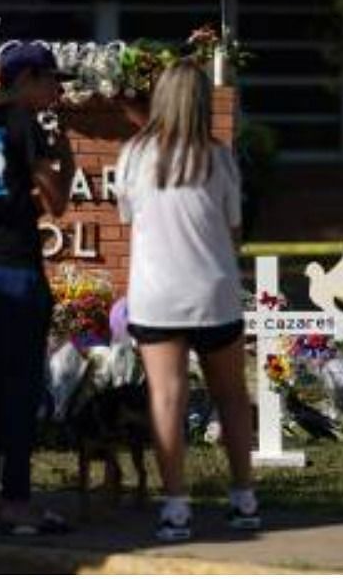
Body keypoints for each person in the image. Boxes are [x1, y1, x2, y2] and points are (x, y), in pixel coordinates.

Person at [115, 59, 258, 541]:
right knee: (232, 397)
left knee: (166, 399)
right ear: (200, 102)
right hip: (213, 293)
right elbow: (235, 229)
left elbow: (128, 218)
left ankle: (176, 508)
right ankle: (244, 500)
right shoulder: (218, 157)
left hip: (156, 296)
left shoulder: (133, 155)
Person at [0, 42, 75, 535]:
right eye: (51, 78)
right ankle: (18, 503)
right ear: (25, 77)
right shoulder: (23, 121)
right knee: (19, 391)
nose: (57, 88)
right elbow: (57, 203)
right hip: (16, 275)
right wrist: (64, 155)